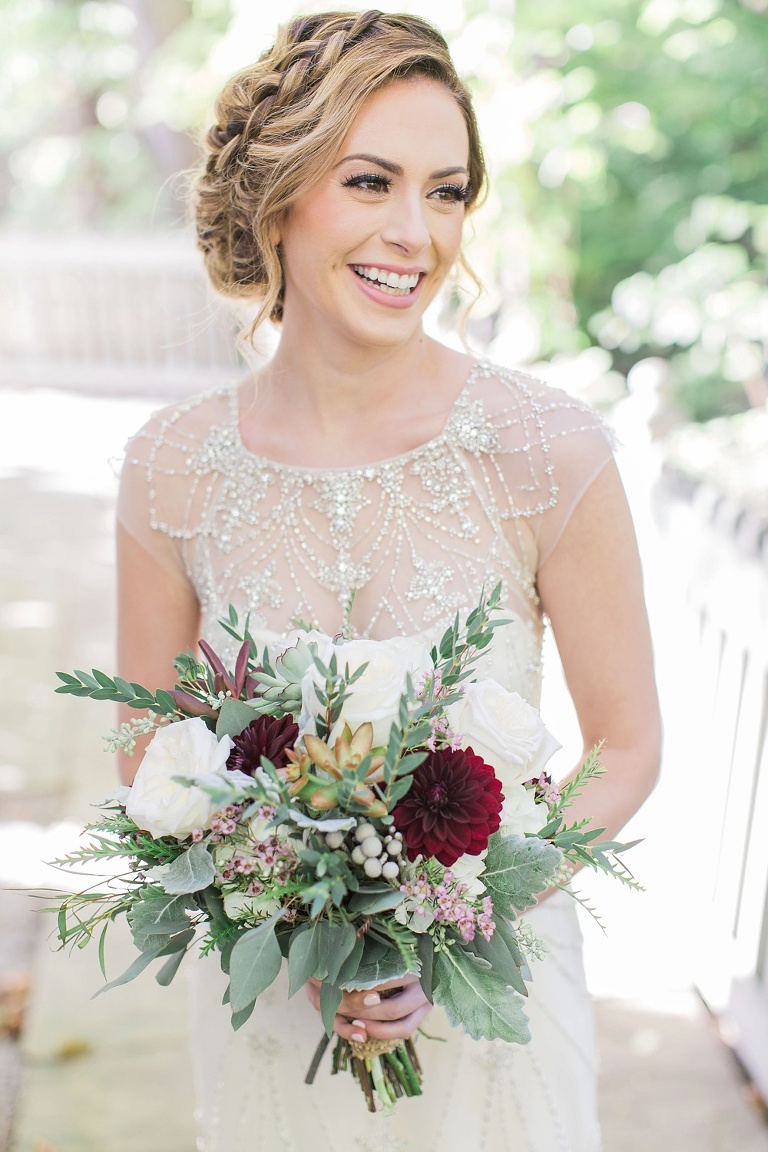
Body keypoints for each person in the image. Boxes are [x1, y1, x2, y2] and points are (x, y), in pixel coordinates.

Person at [116, 10, 661, 1151]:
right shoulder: (170, 469)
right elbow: (147, 746)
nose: (415, 233)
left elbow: (626, 741)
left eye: (448, 191)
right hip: (277, 1022)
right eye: (370, 182)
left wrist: (455, 917)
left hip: (497, 1016)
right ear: (276, 193)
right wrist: (284, 895)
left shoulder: (548, 452)